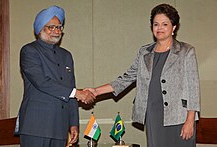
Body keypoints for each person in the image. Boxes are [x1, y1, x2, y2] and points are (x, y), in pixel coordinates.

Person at [85, 3, 200, 147]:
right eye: (156, 24)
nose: (159, 28)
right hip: (153, 115)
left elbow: (193, 88)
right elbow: (127, 78)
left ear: (174, 27)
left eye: (165, 24)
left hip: (179, 118)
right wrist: (96, 91)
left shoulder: (186, 51)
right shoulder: (144, 52)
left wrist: (190, 120)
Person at [15, 5, 95, 147]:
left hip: (60, 126)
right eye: (51, 27)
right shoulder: (29, 51)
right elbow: (42, 82)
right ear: (40, 29)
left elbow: (70, 88)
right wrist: (78, 93)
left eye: (59, 27)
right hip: (36, 127)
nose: (57, 31)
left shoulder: (66, 55)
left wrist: (73, 123)